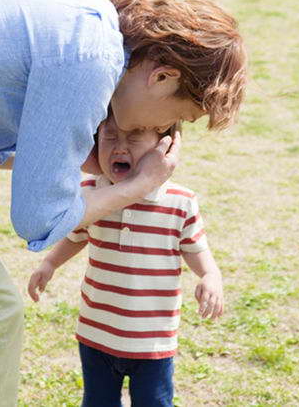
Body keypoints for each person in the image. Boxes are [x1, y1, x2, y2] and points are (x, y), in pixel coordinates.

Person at [0, 0, 245, 406]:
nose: (170, 128)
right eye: (180, 116)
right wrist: (134, 188)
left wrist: (65, 158)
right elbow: (35, 219)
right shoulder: (93, 57)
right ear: (163, 77)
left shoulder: (89, 22)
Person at [28, 112, 224, 407]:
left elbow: (195, 248)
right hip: (96, 330)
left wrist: (210, 275)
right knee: (97, 401)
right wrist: (50, 264)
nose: (120, 147)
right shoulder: (91, 193)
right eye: (109, 137)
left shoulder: (180, 202)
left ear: (164, 146)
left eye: (134, 137)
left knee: (154, 402)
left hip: (152, 339)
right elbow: (76, 236)